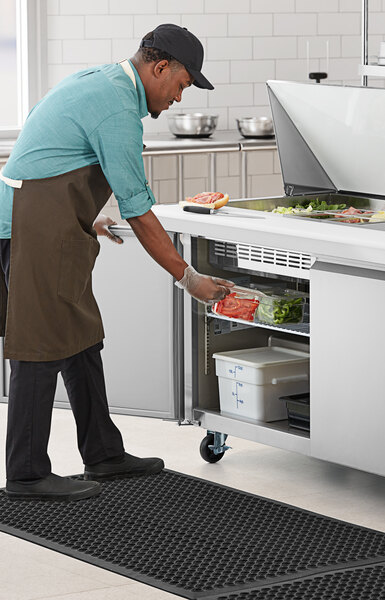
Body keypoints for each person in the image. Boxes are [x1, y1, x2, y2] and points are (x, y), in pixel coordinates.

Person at [0, 24, 233, 501]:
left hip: (50, 219)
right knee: (39, 343)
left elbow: (54, 151)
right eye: (182, 85)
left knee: (82, 338)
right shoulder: (119, 108)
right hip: (30, 225)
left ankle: (104, 454)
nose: (179, 98)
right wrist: (187, 277)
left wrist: (86, 215)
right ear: (160, 66)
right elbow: (138, 208)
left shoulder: (104, 80)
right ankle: (25, 474)